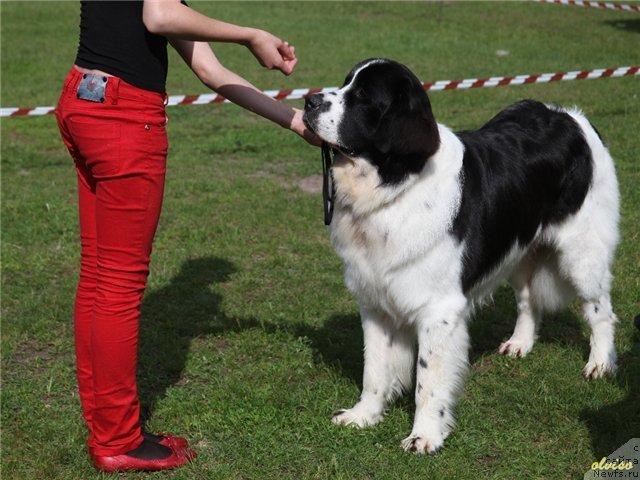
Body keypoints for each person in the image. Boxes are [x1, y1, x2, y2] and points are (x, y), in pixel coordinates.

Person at [55, 0, 319, 473]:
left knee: (98, 278)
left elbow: (207, 69)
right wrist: (250, 33)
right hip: (121, 118)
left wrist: (295, 121)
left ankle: (107, 428)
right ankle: (117, 440)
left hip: (83, 99)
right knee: (116, 286)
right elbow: (159, 16)